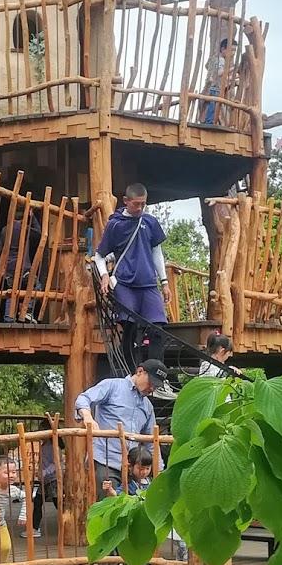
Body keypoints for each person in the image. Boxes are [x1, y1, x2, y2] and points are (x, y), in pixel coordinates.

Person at [94, 183, 171, 370]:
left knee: (158, 329)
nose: (140, 208)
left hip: (148, 284)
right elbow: (99, 255)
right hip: (125, 283)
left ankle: (155, 374)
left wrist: (164, 282)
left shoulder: (150, 222)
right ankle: (131, 374)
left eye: (143, 204)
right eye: (136, 204)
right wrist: (104, 275)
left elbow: (157, 252)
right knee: (129, 327)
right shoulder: (115, 225)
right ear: (126, 201)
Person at [75, 360, 167, 506]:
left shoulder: (147, 406)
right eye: (151, 382)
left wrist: (159, 471)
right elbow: (83, 398)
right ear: (140, 371)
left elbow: (151, 442)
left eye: (156, 386)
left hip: (132, 469)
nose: (152, 388)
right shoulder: (113, 386)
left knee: (130, 509)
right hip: (107, 462)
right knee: (108, 507)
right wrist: (87, 417)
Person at [99, 445, 162, 565]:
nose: (144, 471)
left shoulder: (150, 482)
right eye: (140, 468)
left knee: (139, 554)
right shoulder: (129, 484)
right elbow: (119, 496)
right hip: (130, 524)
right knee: (131, 553)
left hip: (145, 524)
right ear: (131, 467)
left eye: (147, 468)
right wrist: (110, 491)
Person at [2, 206, 42, 323]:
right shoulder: (24, 228)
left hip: (9, 267)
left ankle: (9, 318)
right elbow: (39, 233)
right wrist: (32, 216)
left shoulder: (5, 230)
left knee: (12, 291)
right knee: (35, 286)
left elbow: (1, 249)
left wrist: (4, 267)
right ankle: (26, 310)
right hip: (23, 267)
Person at [203, 38, 230, 125]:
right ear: (223, 49)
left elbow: (206, 66)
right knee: (213, 104)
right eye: (230, 50)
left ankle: (207, 120)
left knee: (210, 104)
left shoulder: (213, 58)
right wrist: (230, 69)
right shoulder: (221, 60)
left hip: (209, 84)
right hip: (215, 85)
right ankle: (209, 122)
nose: (232, 53)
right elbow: (219, 73)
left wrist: (211, 73)